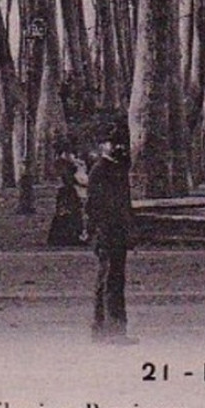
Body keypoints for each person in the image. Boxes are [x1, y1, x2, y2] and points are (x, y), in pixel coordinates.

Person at [85, 122, 134, 341]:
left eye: (120, 143)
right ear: (103, 145)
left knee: (116, 279)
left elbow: (125, 204)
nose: (117, 147)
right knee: (107, 280)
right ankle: (106, 328)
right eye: (112, 143)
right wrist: (98, 231)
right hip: (106, 232)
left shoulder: (118, 169)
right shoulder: (100, 170)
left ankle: (114, 328)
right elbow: (94, 206)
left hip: (119, 233)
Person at [45, 136, 87, 247]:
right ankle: (65, 237)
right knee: (66, 213)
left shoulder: (67, 163)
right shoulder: (61, 163)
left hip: (69, 191)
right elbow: (68, 178)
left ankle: (72, 236)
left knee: (72, 213)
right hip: (66, 191)